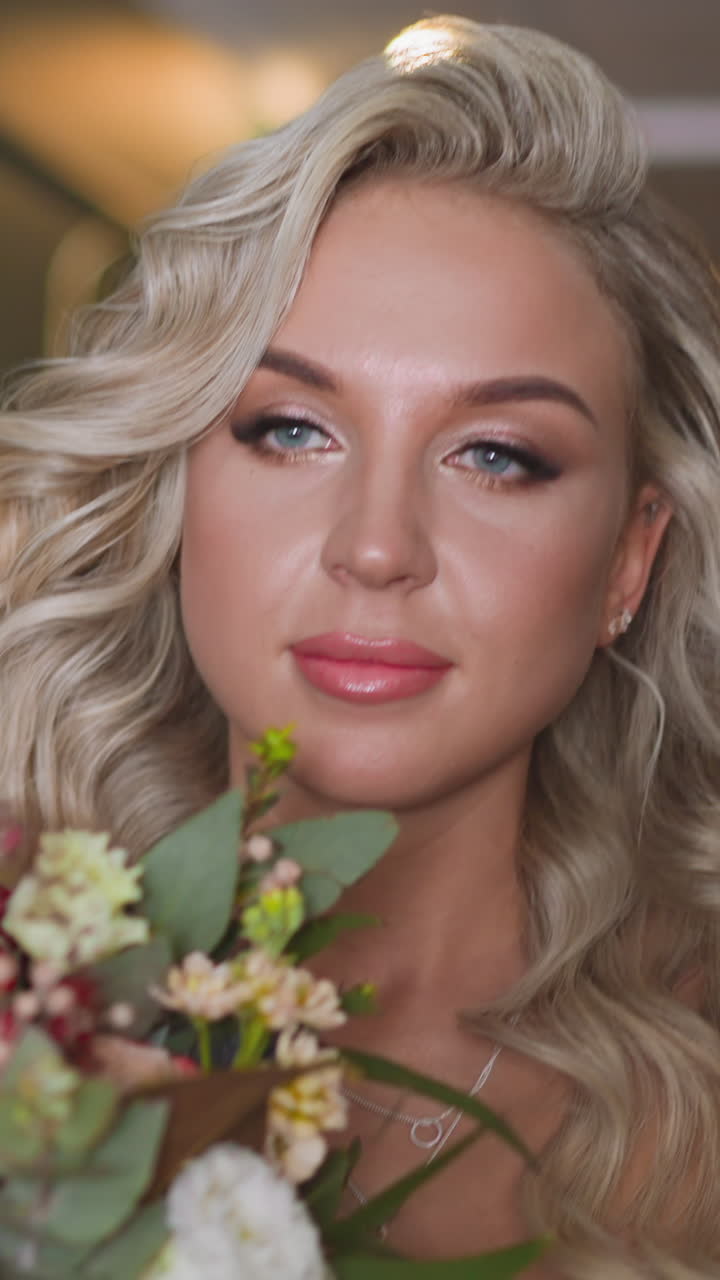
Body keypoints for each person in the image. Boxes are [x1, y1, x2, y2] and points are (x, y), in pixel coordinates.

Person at [2, 12, 720, 1277]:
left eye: (496, 454)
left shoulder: (695, 1104)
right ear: (174, 493)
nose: (377, 545)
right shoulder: (30, 1005)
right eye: (290, 430)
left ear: (628, 559)